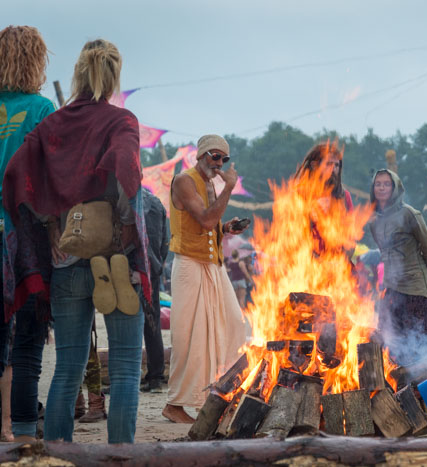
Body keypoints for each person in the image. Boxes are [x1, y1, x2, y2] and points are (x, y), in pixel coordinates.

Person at [3, 39, 151, 443]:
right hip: (117, 260)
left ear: (78, 74)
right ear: (114, 75)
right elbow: (127, 170)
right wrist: (126, 224)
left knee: (67, 368)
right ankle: (120, 458)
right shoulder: (121, 121)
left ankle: (57, 455)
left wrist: (50, 225)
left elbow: (18, 173)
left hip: (67, 256)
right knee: (125, 368)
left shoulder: (55, 124)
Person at [163, 134, 247, 423]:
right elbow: (207, 219)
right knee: (189, 337)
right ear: (200, 155)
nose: (219, 163)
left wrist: (227, 228)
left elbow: (211, 226)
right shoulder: (184, 181)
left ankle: (220, 392)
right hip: (189, 264)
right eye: (215, 156)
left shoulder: (211, 183)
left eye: (224, 158)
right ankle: (175, 404)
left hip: (213, 265)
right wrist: (230, 187)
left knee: (234, 323)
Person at [0, 25, 55, 443]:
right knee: (29, 340)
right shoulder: (41, 109)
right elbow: (52, 177)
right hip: (25, 235)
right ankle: (20, 432)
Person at [369, 169, 427, 371]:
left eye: (386, 184)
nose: (382, 188)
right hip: (391, 287)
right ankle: (401, 382)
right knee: (390, 336)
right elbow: (383, 251)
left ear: (395, 187)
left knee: (423, 339)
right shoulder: (374, 221)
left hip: (415, 287)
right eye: (378, 184)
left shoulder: (409, 213)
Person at [140, 186, 169, 393]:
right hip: (152, 269)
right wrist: (158, 263)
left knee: (125, 326)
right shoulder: (156, 202)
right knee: (152, 323)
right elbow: (165, 241)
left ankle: (125, 378)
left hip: (129, 268)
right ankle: (156, 377)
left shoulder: (121, 197)